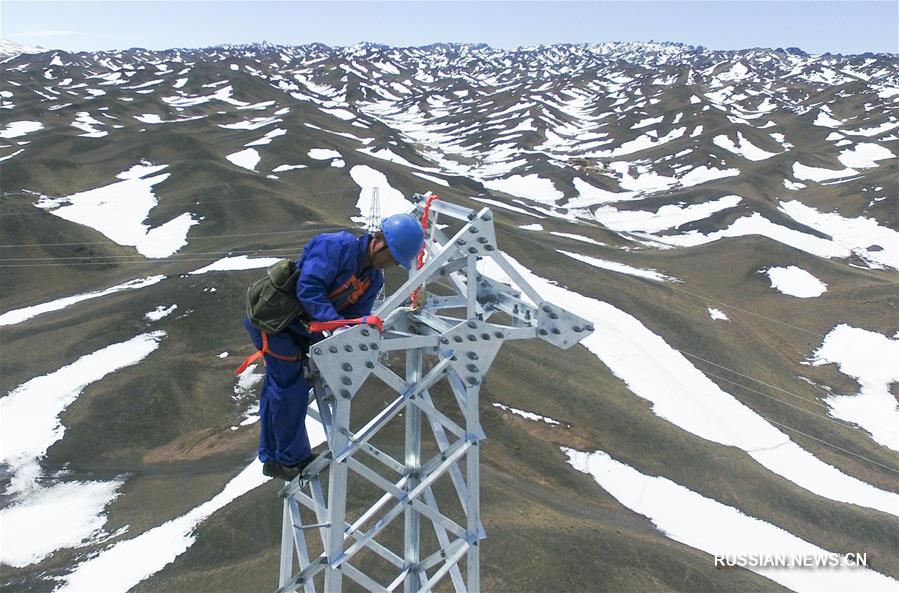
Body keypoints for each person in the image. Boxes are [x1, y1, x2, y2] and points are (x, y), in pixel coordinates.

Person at [242, 213, 425, 481]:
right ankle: (292, 460)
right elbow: (309, 288)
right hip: (275, 323)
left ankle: (272, 457)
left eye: (397, 262)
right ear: (379, 240)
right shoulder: (336, 247)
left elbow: (353, 318)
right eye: (392, 257)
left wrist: (345, 332)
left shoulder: (372, 280)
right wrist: (336, 324)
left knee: (281, 387)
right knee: (289, 388)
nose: (390, 264)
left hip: (301, 329)